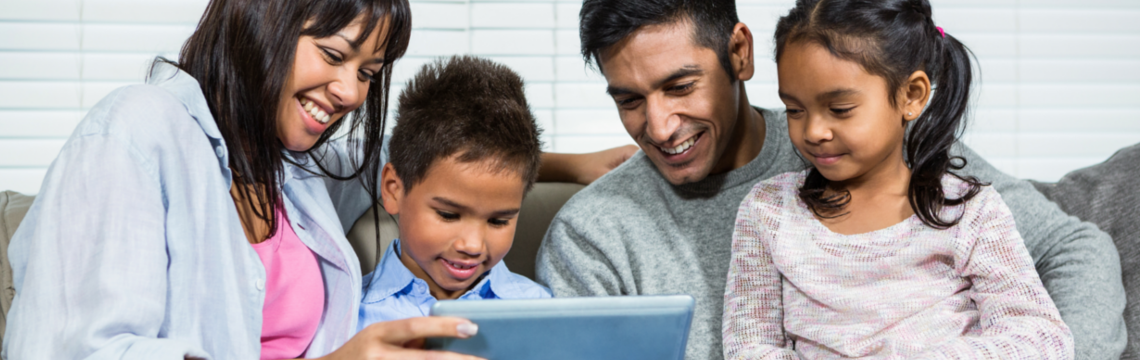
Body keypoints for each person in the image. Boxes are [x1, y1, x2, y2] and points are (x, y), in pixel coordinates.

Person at [1, 0, 624, 359]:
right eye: (333, 55)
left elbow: (425, 161)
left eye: (370, 71)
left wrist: (567, 164)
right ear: (261, 18)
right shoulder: (134, 132)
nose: (353, 91)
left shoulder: (297, 169)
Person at [535, 0, 1126, 359]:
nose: (659, 126)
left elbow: (1072, 248)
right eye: (629, 100)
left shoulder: (887, 150)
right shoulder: (593, 236)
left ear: (739, 53)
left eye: (680, 86)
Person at [721, 0, 1071, 357]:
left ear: (911, 96)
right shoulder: (768, 211)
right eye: (794, 110)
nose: (813, 131)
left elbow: (1041, 336)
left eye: (840, 110)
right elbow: (750, 347)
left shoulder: (969, 212)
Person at [358, 56, 552, 327]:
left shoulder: (543, 314)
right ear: (394, 190)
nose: (472, 246)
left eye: (498, 221)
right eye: (448, 215)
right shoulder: (346, 314)